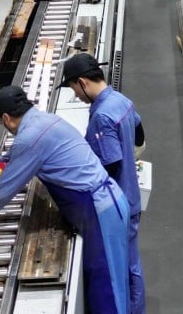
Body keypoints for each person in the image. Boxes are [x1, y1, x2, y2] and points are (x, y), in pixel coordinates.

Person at [0, 86, 130, 314]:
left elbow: (4, 191)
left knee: (108, 291)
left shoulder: (30, 137)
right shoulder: (45, 120)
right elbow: (21, 151)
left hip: (100, 211)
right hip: (107, 204)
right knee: (112, 283)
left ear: (6, 118)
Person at [62, 53, 146, 314]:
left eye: (74, 89)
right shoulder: (121, 100)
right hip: (131, 196)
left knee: (119, 271)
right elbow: (140, 134)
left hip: (116, 204)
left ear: (83, 82)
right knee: (132, 263)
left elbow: (107, 166)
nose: (76, 95)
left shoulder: (101, 116)